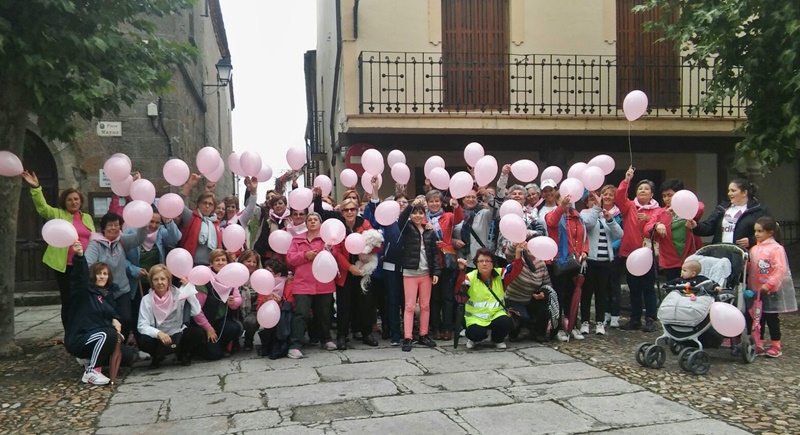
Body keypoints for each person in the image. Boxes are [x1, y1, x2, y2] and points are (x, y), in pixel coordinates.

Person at [22, 170, 95, 328]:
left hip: (85, 264)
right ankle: (69, 331)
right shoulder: (58, 214)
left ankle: (83, 328)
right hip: (65, 266)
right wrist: (36, 188)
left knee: (85, 297)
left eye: (76, 199)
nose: (74, 202)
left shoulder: (87, 217)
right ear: (65, 202)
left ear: (80, 201)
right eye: (70, 200)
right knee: (68, 299)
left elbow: (92, 238)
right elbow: (43, 208)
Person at [314, 193, 381, 349]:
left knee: (365, 303)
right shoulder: (338, 226)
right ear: (342, 212)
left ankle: (366, 333)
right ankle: (342, 335)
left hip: (363, 269)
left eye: (352, 209)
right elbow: (336, 252)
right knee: (344, 305)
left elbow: (376, 243)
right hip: (345, 272)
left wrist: (368, 254)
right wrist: (349, 267)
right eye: (346, 210)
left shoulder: (364, 223)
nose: (349, 213)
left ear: (357, 210)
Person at [64, 241, 132, 385]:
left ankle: (88, 358)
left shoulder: (108, 295)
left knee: (127, 356)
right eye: (98, 274)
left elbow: (110, 312)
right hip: (79, 337)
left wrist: (115, 318)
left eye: (104, 274)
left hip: (97, 336)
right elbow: (78, 278)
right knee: (107, 334)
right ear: (92, 276)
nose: (101, 277)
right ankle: (92, 371)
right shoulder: (82, 293)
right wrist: (80, 257)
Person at [85, 212, 147, 341]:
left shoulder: (122, 240)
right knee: (108, 320)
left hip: (122, 289)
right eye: (110, 225)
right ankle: (108, 345)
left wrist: (143, 222)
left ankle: (120, 346)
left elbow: (139, 239)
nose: (114, 228)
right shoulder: (95, 244)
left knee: (126, 319)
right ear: (103, 228)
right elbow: (89, 265)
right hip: (103, 292)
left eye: (116, 225)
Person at [124, 206, 182, 341]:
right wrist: (134, 270)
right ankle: (142, 343)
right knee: (139, 311)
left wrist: (168, 222)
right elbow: (122, 258)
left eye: (157, 222)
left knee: (157, 312)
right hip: (137, 281)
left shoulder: (161, 233)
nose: (154, 225)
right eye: (151, 221)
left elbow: (175, 238)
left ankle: (159, 341)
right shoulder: (131, 233)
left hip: (157, 281)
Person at [615, 166, 661, 332]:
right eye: (640, 188)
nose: (643, 191)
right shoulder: (629, 207)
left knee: (648, 288)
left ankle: (650, 319)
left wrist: (649, 218)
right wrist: (627, 180)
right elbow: (619, 197)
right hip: (631, 254)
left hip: (647, 254)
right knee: (633, 287)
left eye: (646, 189)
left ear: (652, 194)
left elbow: (656, 227)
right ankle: (634, 319)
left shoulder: (657, 210)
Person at [285, 213, 337, 357]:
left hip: (323, 283)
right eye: (309, 220)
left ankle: (326, 339)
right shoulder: (297, 239)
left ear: (321, 223)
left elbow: (335, 255)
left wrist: (329, 249)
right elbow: (289, 258)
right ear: (305, 223)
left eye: (315, 220)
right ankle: (295, 345)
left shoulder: (328, 239)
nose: (312, 222)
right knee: (300, 314)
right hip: (302, 283)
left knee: (324, 314)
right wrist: (305, 255)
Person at [363, 185, 406, 346]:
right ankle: (394, 333)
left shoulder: (412, 220)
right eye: (398, 203)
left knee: (406, 302)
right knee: (392, 301)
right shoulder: (386, 222)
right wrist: (374, 191)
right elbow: (373, 212)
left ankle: (408, 332)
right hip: (389, 268)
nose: (402, 205)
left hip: (408, 268)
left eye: (404, 203)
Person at [747, 217, 797, 358]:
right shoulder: (754, 248)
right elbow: (753, 267)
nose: (756, 234)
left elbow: (780, 269)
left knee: (771, 317)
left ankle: (776, 344)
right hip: (757, 289)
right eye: (755, 231)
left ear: (770, 232)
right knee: (758, 317)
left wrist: (769, 284)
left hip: (770, 290)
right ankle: (759, 341)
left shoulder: (776, 249)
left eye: (760, 231)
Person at [454, 248, 522, 349]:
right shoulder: (470, 277)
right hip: (475, 318)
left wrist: (518, 253)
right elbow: (459, 293)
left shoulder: (500, 274)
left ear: (493, 263)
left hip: (496, 314)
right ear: (476, 264)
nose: (484, 264)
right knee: (476, 333)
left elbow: (516, 268)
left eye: (487, 261)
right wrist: (461, 271)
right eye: (481, 261)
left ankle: (497, 339)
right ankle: (473, 339)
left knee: (505, 322)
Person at [398, 197, 442, 351]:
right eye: (415, 213)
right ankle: (408, 337)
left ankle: (423, 334)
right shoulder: (406, 228)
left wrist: (436, 271)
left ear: (425, 215)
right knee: (409, 306)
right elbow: (402, 219)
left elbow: (434, 254)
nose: (417, 215)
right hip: (410, 273)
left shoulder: (429, 232)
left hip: (426, 273)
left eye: (420, 213)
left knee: (425, 305)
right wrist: (413, 204)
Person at [137, 265, 202, 367]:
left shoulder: (179, 293)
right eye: (156, 279)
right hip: (159, 337)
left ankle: (182, 354)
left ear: (169, 280)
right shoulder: (147, 299)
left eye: (163, 279)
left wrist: (189, 290)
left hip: (178, 334)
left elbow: (196, 311)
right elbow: (142, 325)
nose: (160, 282)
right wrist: (158, 333)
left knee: (197, 333)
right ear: (151, 282)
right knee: (143, 340)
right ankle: (157, 356)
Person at [183, 249, 243, 360]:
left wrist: (233, 302)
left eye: (223, 260)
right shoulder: (204, 279)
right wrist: (208, 328)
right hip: (203, 323)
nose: (220, 262)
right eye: (217, 260)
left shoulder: (230, 277)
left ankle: (219, 344)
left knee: (235, 328)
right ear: (211, 263)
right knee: (214, 355)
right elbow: (197, 310)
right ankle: (197, 347)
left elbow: (238, 299)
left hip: (219, 321)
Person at [545, 191, 589, 341]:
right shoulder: (552, 214)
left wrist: (584, 251)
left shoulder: (578, 217)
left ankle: (572, 326)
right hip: (558, 262)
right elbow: (551, 223)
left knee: (574, 295)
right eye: (562, 198)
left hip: (575, 262)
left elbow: (584, 238)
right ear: (557, 200)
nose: (567, 200)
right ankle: (557, 328)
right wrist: (561, 208)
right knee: (559, 296)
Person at [580, 191, 623, 336]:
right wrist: (596, 208)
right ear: (586, 203)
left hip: (605, 261)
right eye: (591, 200)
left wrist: (610, 220)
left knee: (601, 293)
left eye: (597, 200)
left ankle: (599, 322)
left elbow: (619, 234)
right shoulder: (584, 215)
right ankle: (585, 322)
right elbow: (588, 225)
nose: (595, 201)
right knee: (586, 293)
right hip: (590, 260)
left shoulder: (606, 217)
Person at [647, 179, 704, 281]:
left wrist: (680, 206)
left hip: (690, 258)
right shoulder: (661, 212)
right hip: (670, 259)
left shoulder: (688, 207)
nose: (667, 199)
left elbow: (700, 206)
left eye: (670, 195)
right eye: (664, 196)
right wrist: (657, 225)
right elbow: (647, 228)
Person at [425, 189, 463, 341]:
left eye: (437, 201)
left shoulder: (448, 216)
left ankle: (447, 328)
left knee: (447, 297)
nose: (434, 204)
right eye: (431, 201)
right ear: (427, 203)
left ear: (441, 202)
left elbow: (460, 218)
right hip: (430, 260)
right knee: (434, 298)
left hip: (446, 259)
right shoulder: (423, 218)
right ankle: (436, 328)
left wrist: (457, 205)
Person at [687, 178, 769, 249]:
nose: (729, 193)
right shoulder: (722, 208)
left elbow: (768, 231)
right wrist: (695, 226)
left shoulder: (759, 210)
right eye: (729, 190)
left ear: (744, 193)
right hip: (720, 253)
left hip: (744, 255)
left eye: (733, 191)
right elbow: (709, 227)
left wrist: (751, 240)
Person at [502, 242, 554, 343]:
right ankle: (513, 333)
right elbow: (508, 253)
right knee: (521, 317)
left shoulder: (541, 264)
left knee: (545, 308)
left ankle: (538, 333)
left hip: (530, 299)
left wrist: (543, 293)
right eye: (529, 250)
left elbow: (548, 285)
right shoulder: (518, 260)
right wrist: (516, 244)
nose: (532, 253)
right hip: (513, 299)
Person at [179, 175, 222, 266]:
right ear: (198, 204)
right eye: (204, 203)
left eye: (210, 204)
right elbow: (178, 203)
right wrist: (189, 185)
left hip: (211, 267)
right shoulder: (191, 217)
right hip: (191, 265)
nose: (207, 206)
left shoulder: (216, 223)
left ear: (214, 207)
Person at [256, 258, 295, 359]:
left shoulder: (288, 283)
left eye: (269, 272)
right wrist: (265, 300)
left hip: (285, 316)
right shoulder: (263, 284)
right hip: (269, 317)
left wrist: (280, 301)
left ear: (277, 275)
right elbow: (259, 307)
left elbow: (291, 303)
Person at [453, 187, 495, 270]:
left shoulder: (484, 214)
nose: (470, 199)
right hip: (460, 260)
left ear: (477, 199)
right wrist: (454, 241)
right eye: (467, 197)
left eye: (473, 197)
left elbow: (495, 209)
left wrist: (487, 194)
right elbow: (448, 235)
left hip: (478, 260)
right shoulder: (456, 214)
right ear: (463, 200)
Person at [237, 250, 262, 351]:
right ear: (242, 261)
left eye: (254, 262)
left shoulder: (259, 277)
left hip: (252, 310)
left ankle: (249, 339)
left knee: (251, 322)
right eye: (248, 261)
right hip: (235, 310)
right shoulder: (235, 275)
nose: (251, 264)